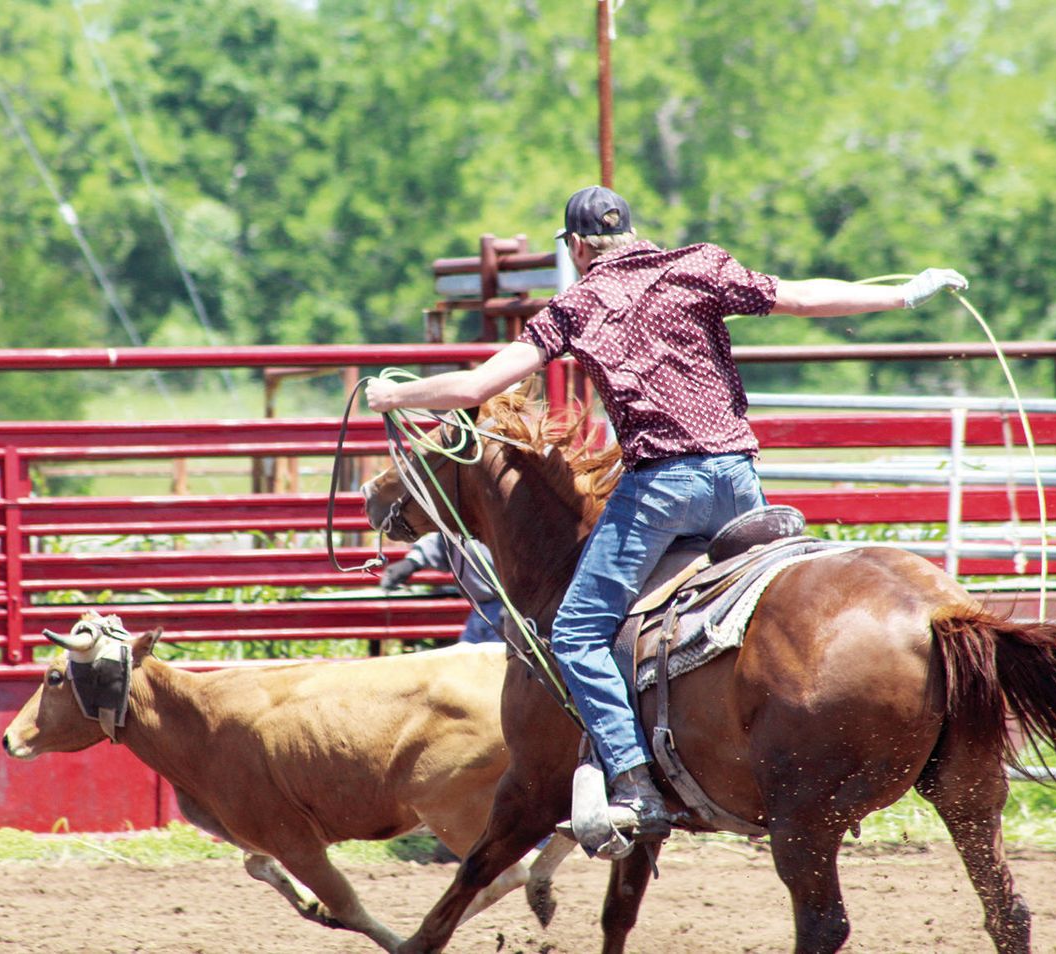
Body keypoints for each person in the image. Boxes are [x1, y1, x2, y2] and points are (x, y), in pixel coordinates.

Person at [366, 184, 968, 844]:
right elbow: (801, 296)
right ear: (630, 233)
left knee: (576, 633)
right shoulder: (699, 266)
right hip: (739, 481)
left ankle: (631, 778)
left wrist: (396, 394)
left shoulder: (578, 304)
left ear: (576, 247)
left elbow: (477, 388)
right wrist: (905, 293)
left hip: (662, 488)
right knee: (757, 608)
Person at [380, 532, 505, 644]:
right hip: (480, 610)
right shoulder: (461, 520)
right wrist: (412, 562)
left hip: (507, 609)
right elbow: (443, 540)